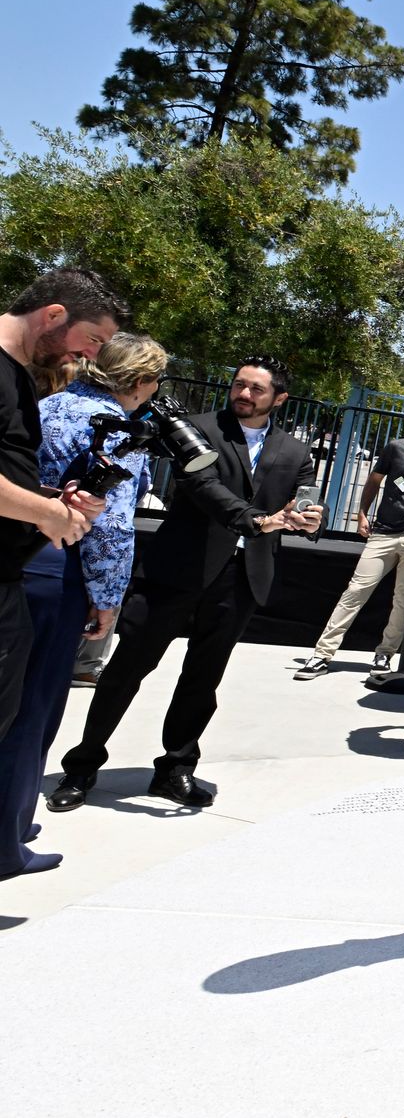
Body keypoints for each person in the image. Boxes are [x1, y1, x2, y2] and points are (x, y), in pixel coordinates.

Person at [50, 355, 317, 811]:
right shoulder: (192, 428)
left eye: (256, 389)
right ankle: (82, 766)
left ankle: (175, 769)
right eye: (239, 385)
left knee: (202, 680)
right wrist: (257, 520)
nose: (244, 394)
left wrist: (307, 520)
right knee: (126, 671)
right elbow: (202, 486)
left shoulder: (295, 452)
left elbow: (306, 502)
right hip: (176, 572)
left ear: (280, 398)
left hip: (240, 579)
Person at [0, 330, 157, 878]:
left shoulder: (49, 404)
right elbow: (110, 525)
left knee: (11, 700)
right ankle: (7, 840)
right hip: (61, 564)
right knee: (34, 706)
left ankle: (16, 817)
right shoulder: (116, 429)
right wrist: (108, 599)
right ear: (139, 382)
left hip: (17, 553)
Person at [0, 270, 120, 759]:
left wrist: (56, 499)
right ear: (53, 314)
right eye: (92, 338)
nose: (92, 354)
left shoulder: (19, 376)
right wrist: (45, 512)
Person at [297, 403, 404, 679]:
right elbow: (373, 481)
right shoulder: (396, 448)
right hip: (383, 532)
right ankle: (322, 655)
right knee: (355, 592)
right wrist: (361, 515)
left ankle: (385, 654)